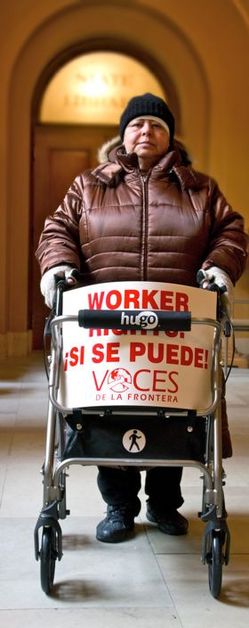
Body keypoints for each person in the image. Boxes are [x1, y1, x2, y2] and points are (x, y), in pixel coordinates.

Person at [36, 92, 248, 543]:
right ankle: (118, 507)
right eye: (137, 125)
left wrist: (218, 268)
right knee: (110, 410)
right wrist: (58, 268)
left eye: (156, 125)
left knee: (174, 411)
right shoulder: (89, 186)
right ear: (122, 134)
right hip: (107, 328)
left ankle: (164, 504)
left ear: (171, 136)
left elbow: (231, 231)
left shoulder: (201, 189)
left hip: (177, 330)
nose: (145, 132)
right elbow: (57, 229)